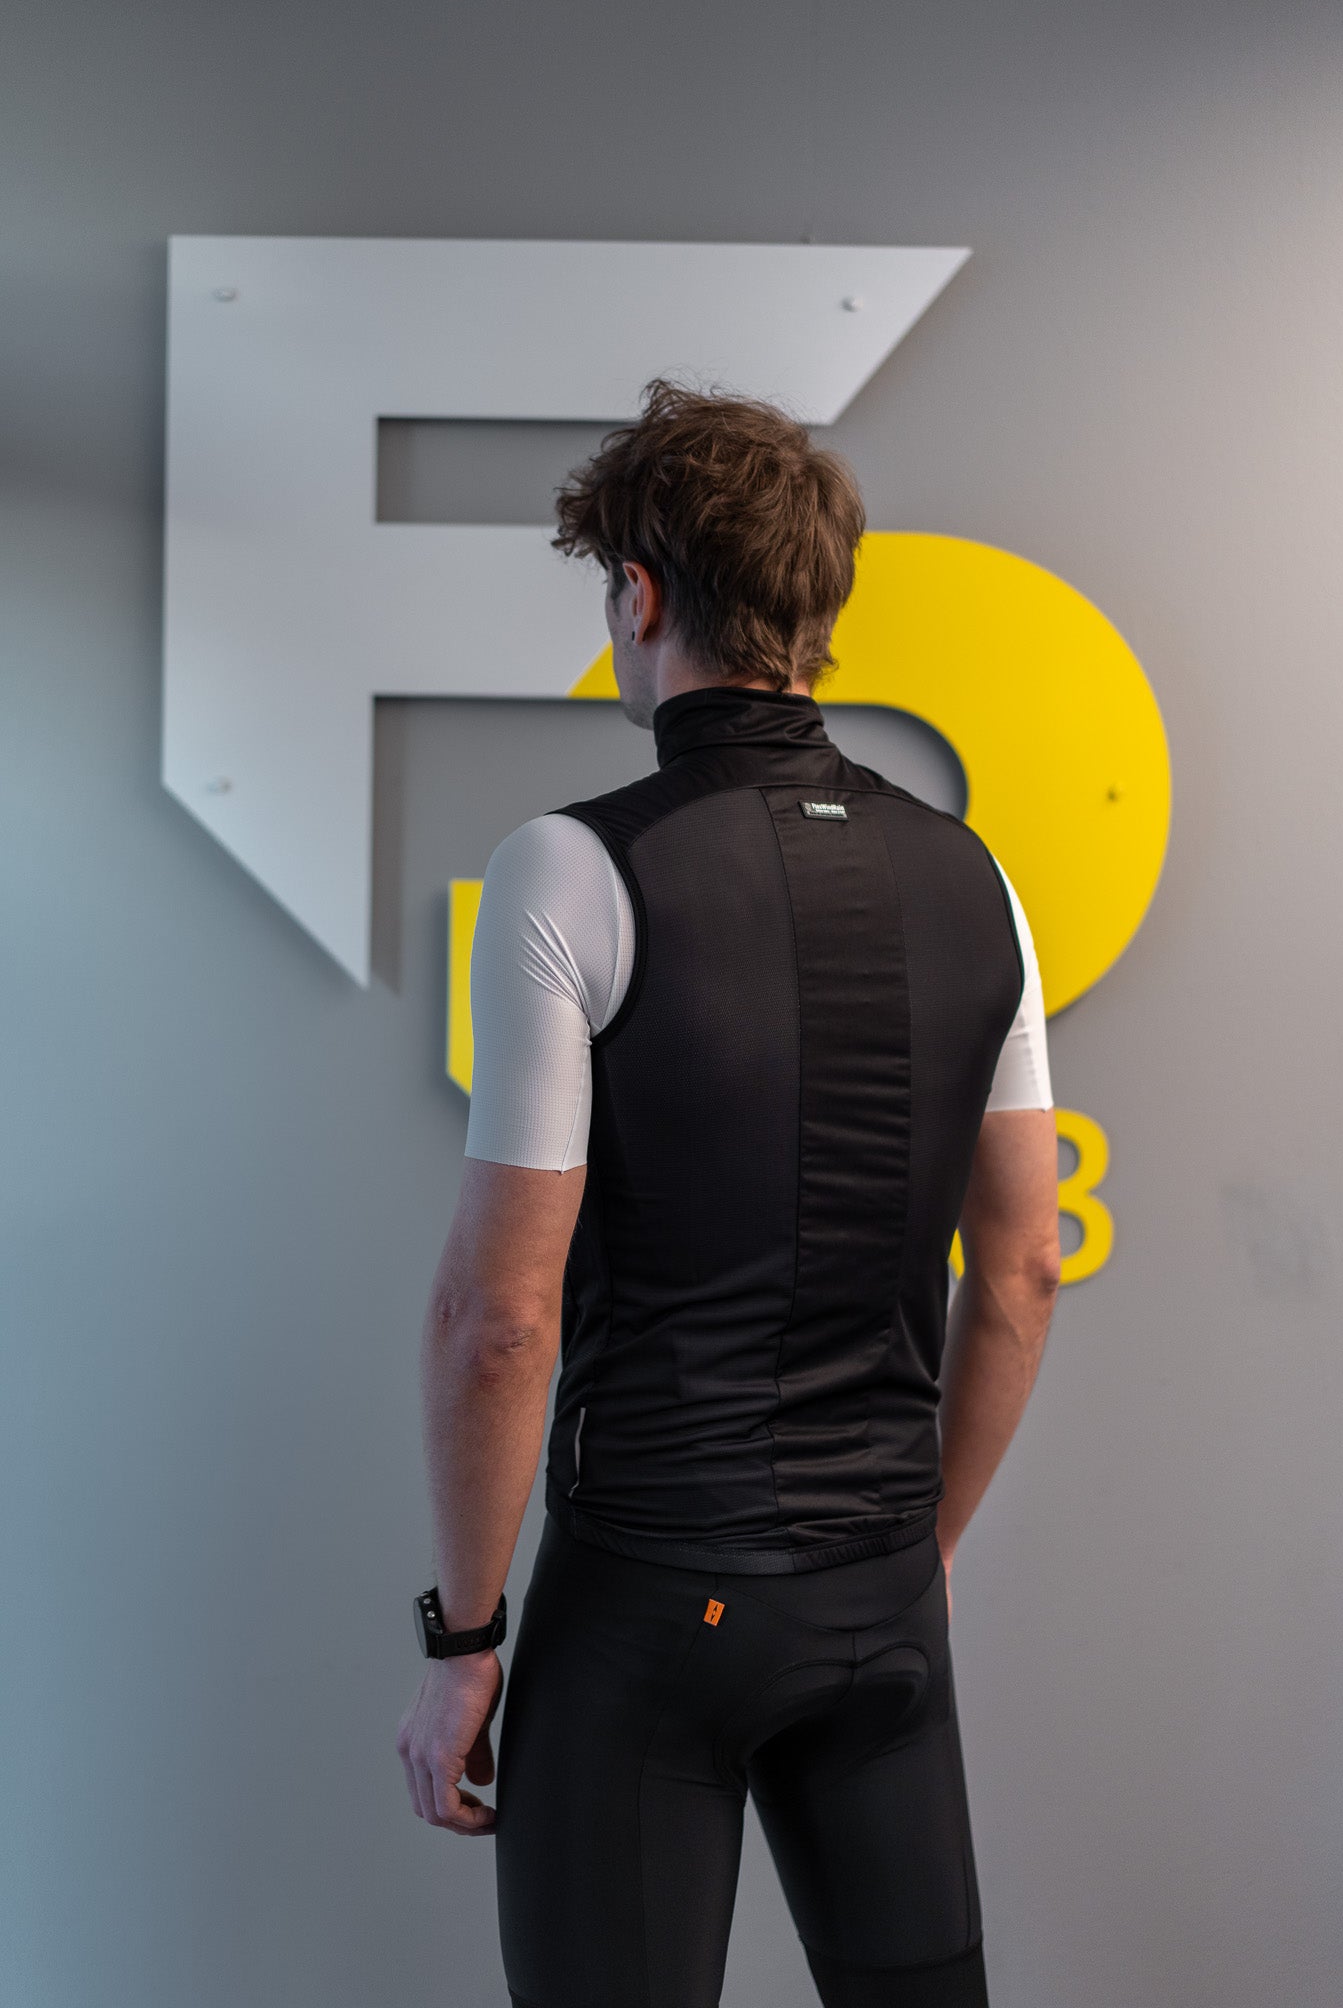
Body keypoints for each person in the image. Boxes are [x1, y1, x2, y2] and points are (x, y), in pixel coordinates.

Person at [395, 379, 1061, 2008]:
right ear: (815, 607)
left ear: (639, 596)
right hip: (880, 1598)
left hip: (645, 1610)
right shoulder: (978, 877)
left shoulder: (572, 866)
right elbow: (1021, 1272)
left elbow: (499, 1319)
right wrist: (918, 1548)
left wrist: (463, 1643)